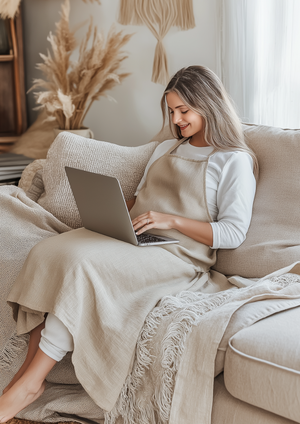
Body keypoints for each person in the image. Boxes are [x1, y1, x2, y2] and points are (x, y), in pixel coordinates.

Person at [0, 65, 257, 422]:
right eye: (171, 111)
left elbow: (233, 232)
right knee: (50, 251)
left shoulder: (234, 161)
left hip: (178, 256)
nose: (176, 119)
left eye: (184, 110)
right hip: (138, 240)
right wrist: (111, 213)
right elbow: (140, 202)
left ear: (209, 105)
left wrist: (170, 221)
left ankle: (28, 384)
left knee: (81, 267)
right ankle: (25, 378)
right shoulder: (166, 148)